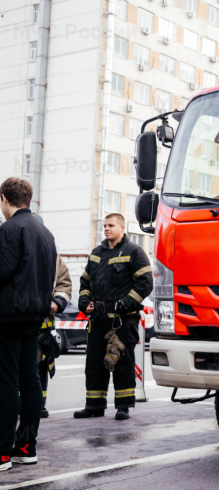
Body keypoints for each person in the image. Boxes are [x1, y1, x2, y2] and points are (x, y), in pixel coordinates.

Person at [0, 178, 57, 471]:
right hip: (36, 315)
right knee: (30, 380)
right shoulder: (45, 232)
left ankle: (2, 452)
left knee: (6, 382)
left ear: (4, 198)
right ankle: (26, 446)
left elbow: (3, 270)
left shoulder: (10, 229)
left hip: (9, 315)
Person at [74, 213, 153, 421]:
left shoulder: (134, 252)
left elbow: (145, 283)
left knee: (122, 364)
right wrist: (84, 303)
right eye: (104, 225)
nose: (106, 228)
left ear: (122, 228)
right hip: (98, 320)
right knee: (94, 364)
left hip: (122, 321)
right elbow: (84, 283)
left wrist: (126, 303)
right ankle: (94, 406)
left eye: (110, 225)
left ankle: (124, 406)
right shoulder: (96, 253)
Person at [38, 254, 73, 418]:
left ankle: (38, 404)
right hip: (13, 328)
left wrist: (58, 302)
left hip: (42, 331)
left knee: (40, 369)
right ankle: (17, 406)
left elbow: (64, 284)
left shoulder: (51, 255)